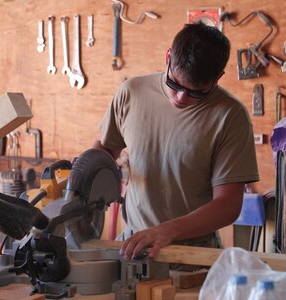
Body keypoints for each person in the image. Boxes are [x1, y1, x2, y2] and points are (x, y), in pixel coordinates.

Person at [92, 22, 259, 260]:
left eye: (197, 92)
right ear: (168, 57)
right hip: (133, 244)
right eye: (175, 84)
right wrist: (82, 172)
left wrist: (166, 231)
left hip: (194, 252)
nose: (181, 98)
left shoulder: (230, 116)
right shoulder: (131, 92)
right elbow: (106, 149)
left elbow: (228, 205)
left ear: (218, 78)